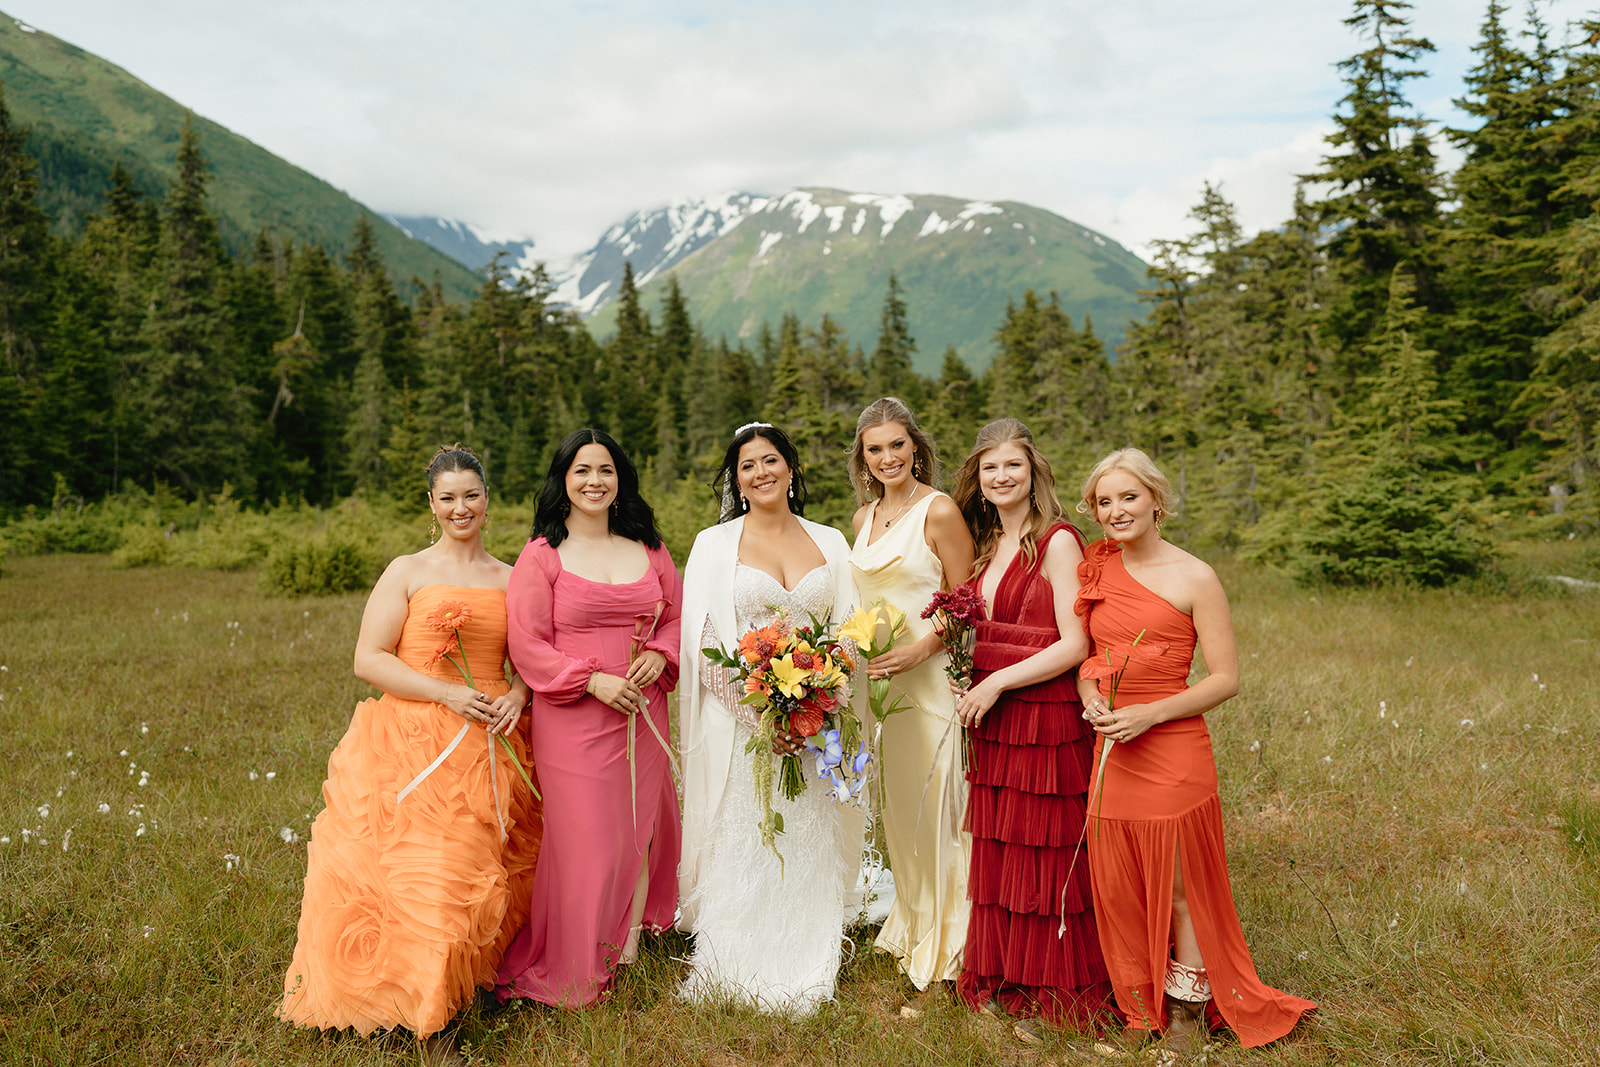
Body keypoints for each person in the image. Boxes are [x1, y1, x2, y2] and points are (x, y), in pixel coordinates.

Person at [278, 445, 541, 1056]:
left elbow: (531, 660)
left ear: (487, 498)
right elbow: (368, 659)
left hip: (486, 741)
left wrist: (520, 695)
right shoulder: (406, 571)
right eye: (447, 498)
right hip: (408, 737)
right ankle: (398, 999)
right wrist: (446, 693)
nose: (460, 508)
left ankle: (440, 1002)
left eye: (470, 495)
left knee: (459, 871)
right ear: (431, 504)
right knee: (402, 872)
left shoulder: (512, 577)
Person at [1075, 448, 1314, 1053]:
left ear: (1157, 500)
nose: (1116, 511)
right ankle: (1138, 1013)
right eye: (1104, 502)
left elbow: (1224, 678)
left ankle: (1185, 1013)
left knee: (1181, 888)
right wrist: (1090, 696)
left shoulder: (1195, 576)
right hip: (1112, 750)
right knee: (1119, 882)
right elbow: (1089, 655)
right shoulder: (1097, 567)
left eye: (1128, 497)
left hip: (1172, 746)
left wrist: (1150, 713)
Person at [677, 422, 867, 1012]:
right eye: (747, 466)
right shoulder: (714, 544)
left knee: (807, 828)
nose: (760, 473)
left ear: (791, 468)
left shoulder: (831, 541)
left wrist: (816, 703)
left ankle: (808, 945)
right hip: (745, 725)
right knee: (748, 829)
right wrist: (764, 718)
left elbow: (851, 629)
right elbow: (701, 639)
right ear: (736, 479)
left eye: (770, 461)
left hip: (816, 725)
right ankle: (733, 949)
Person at [495, 429, 683, 1008]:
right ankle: (574, 959)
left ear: (620, 477)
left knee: (635, 826)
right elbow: (527, 644)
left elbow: (675, 616)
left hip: (642, 709)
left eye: (605, 470)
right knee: (584, 836)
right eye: (582, 471)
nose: (594, 481)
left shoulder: (649, 546)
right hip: (573, 713)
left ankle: (624, 944)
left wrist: (659, 654)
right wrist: (591, 679)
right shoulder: (542, 554)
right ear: (563, 480)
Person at [949, 418, 1113, 1043]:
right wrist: (975, 677)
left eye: (1012, 465)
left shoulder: (1059, 542)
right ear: (979, 479)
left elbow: (1076, 644)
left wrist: (997, 682)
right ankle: (1011, 974)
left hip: (1043, 716)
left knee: (1048, 850)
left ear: (1034, 470)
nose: (1001, 476)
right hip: (995, 718)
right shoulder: (987, 545)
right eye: (990, 468)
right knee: (1006, 850)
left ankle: (1058, 985)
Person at [847, 397, 975, 999]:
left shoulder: (939, 510)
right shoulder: (861, 519)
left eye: (897, 445)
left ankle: (952, 952)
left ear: (916, 447)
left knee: (940, 808)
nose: (888, 457)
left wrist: (924, 650)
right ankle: (917, 921)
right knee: (900, 810)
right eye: (875, 449)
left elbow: (967, 598)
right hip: (880, 687)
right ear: (863, 459)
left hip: (928, 680)